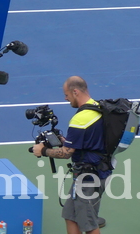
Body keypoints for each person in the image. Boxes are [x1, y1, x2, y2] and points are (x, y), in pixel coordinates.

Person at [31, 77, 110, 234]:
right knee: (70, 215)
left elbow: (66, 153)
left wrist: (43, 151)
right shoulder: (97, 107)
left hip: (89, 177)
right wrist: (66, 141)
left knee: (88, 223)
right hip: (92, 172)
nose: (65, 98)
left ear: (75, 92)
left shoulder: (80, 119)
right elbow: (90, 139)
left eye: (66, 94)